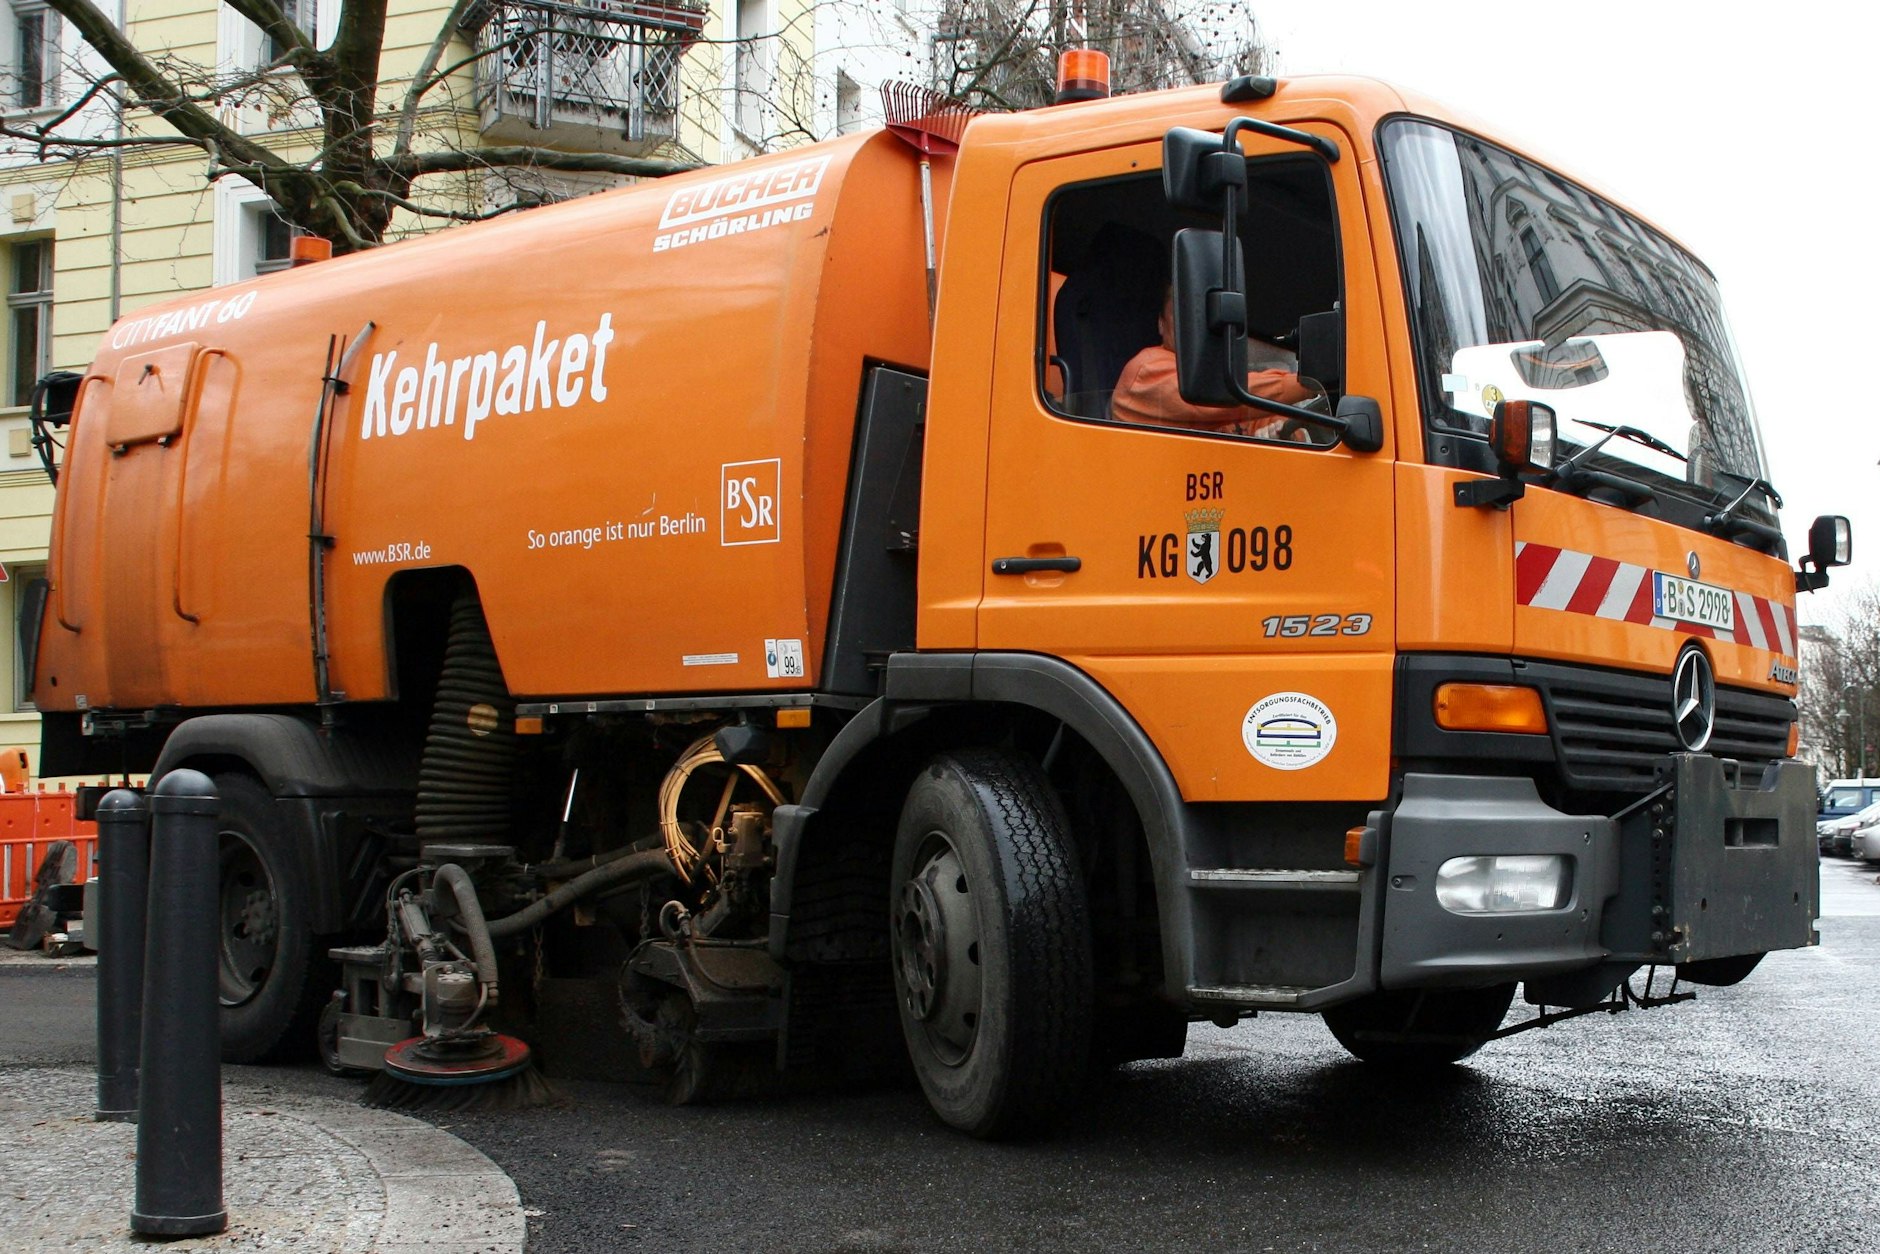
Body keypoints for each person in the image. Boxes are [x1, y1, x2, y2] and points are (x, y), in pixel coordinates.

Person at [1110, 289, 1324, 438]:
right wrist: (1308, 383)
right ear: (1161, 324)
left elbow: (1272, 422)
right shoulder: (1145, 369)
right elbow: (1210, 399)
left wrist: (1286, 435)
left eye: (1203, 317)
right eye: (1183, 316)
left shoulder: (1224, 376)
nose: (1196, 326)